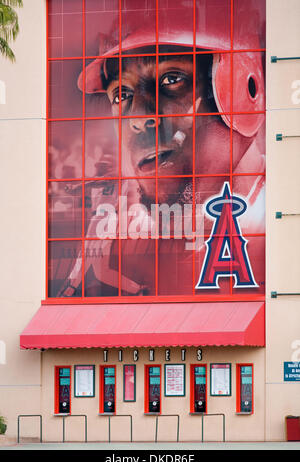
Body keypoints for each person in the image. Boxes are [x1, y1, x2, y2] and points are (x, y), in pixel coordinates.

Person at [56, 1, 265, 298]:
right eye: (121, 95)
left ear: (245, 87)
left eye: (171, 79)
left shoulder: (282, 212)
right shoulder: (123, 227)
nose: (138, 119)